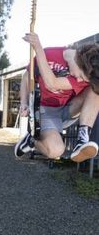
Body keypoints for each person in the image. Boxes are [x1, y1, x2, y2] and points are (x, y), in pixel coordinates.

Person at [15, 32, 99, 163]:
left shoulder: (85, 74)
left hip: (68, 109)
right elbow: (27, 77)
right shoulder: (49, 54)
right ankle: (31, 141)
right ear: (81, 61)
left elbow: (52, 83)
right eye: (81, 76)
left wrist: (38, 46)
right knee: (55, 151)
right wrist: (24, 103)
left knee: (95, 90)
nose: (79, 79)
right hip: (46, 113)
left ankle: (82, 139)